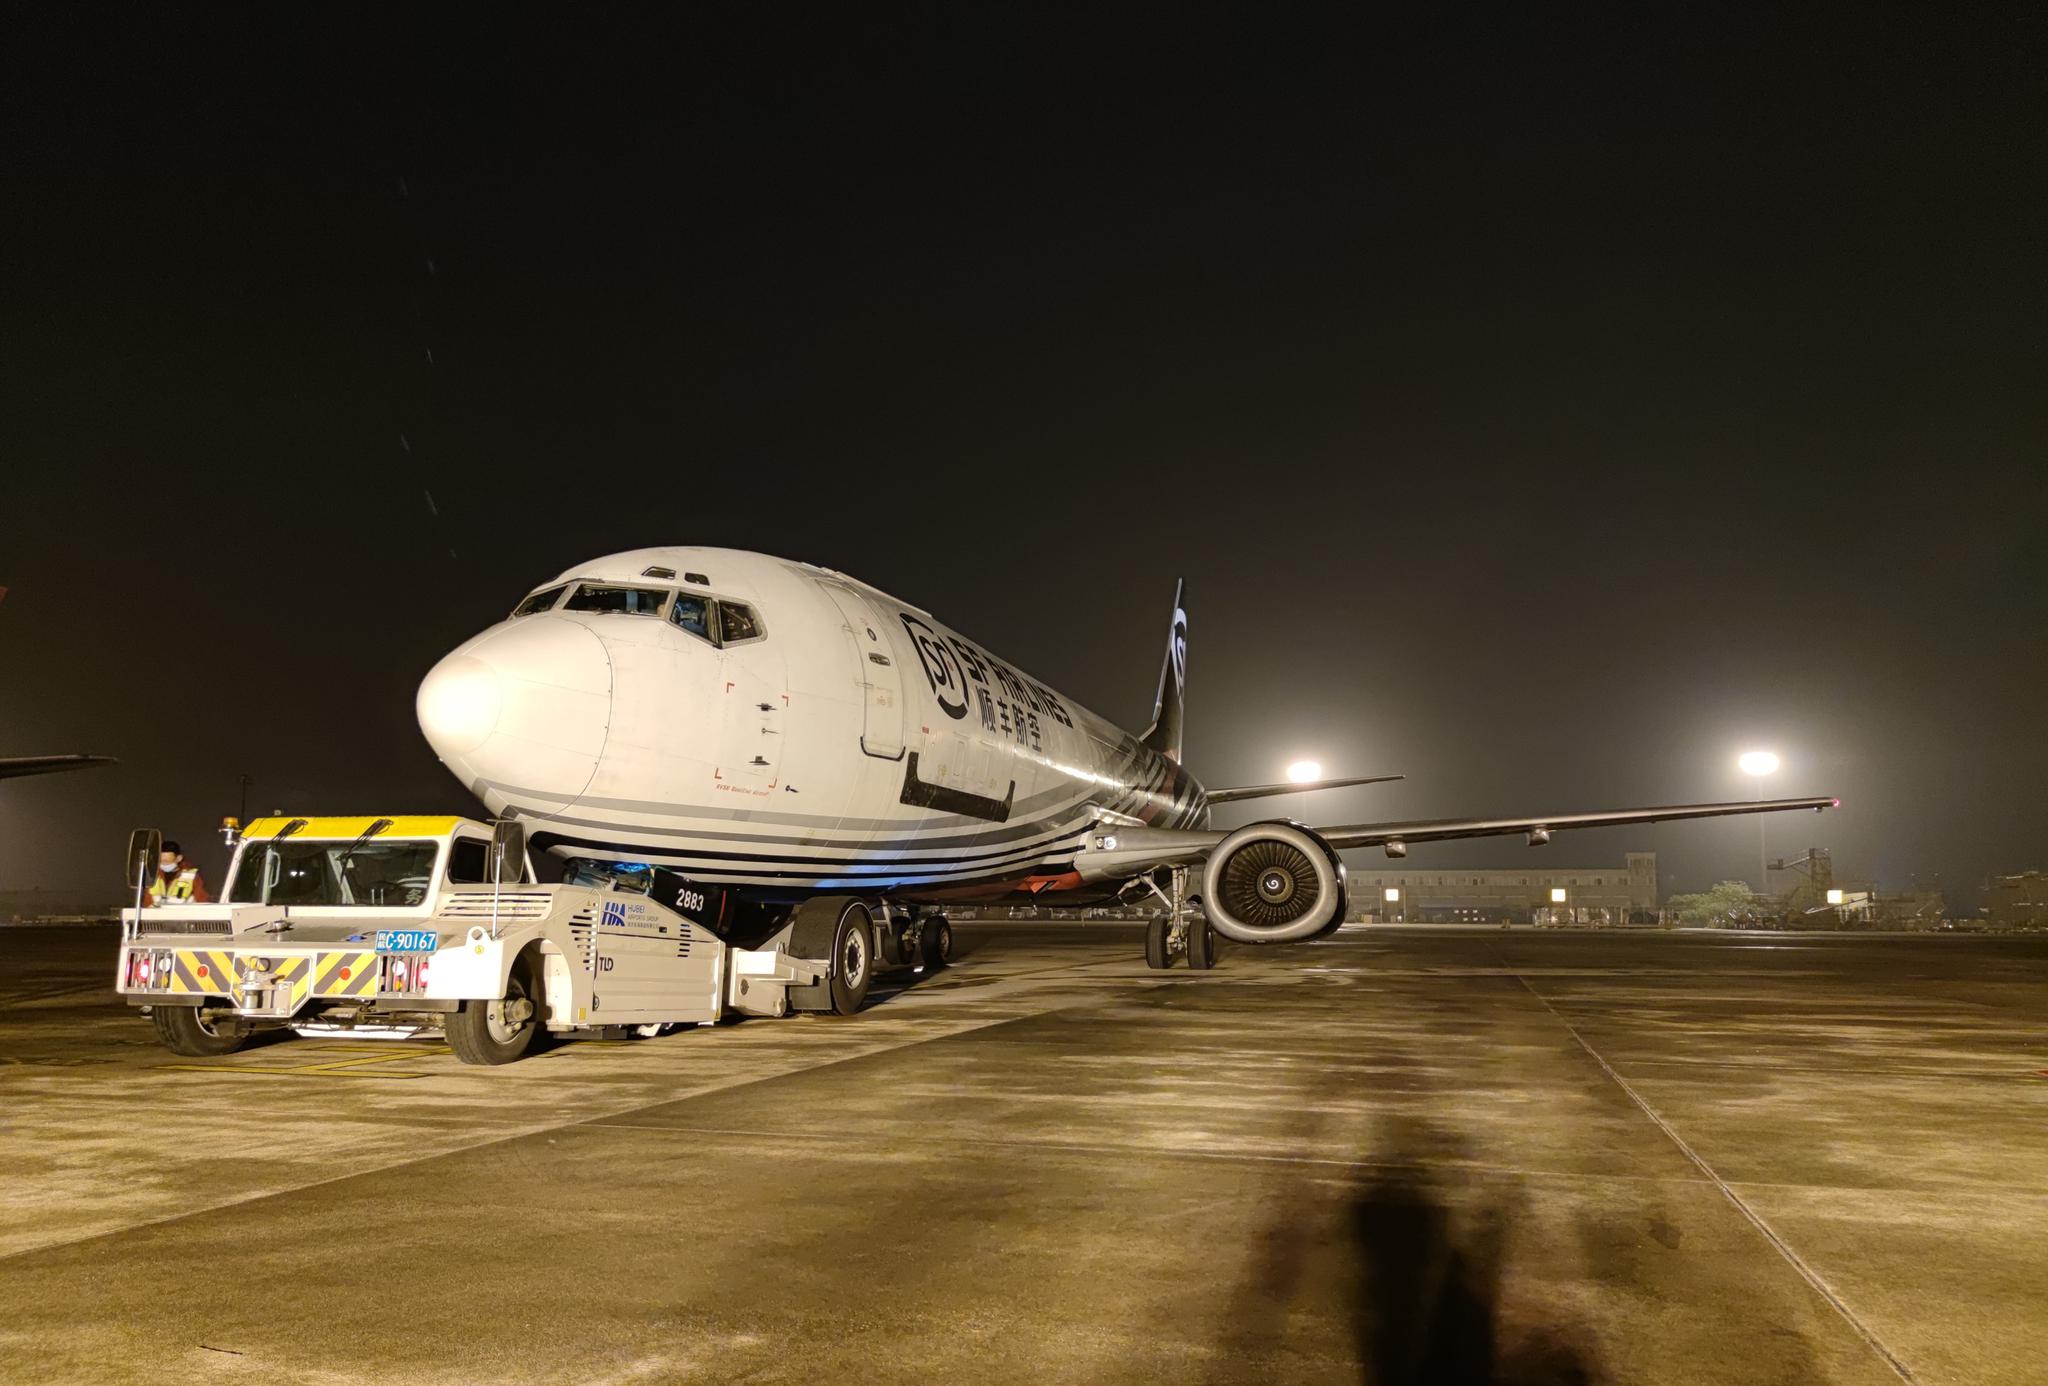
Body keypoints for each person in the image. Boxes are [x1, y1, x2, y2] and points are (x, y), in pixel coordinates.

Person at [147, 840, 211, 905]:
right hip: (155, 914)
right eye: (160, 861)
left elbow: (202, 902)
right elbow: (146, 903)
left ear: (179, 858)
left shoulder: (191, 876)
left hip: (182, 914)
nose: (163, 864)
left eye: (167, 861)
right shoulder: (152, 876)